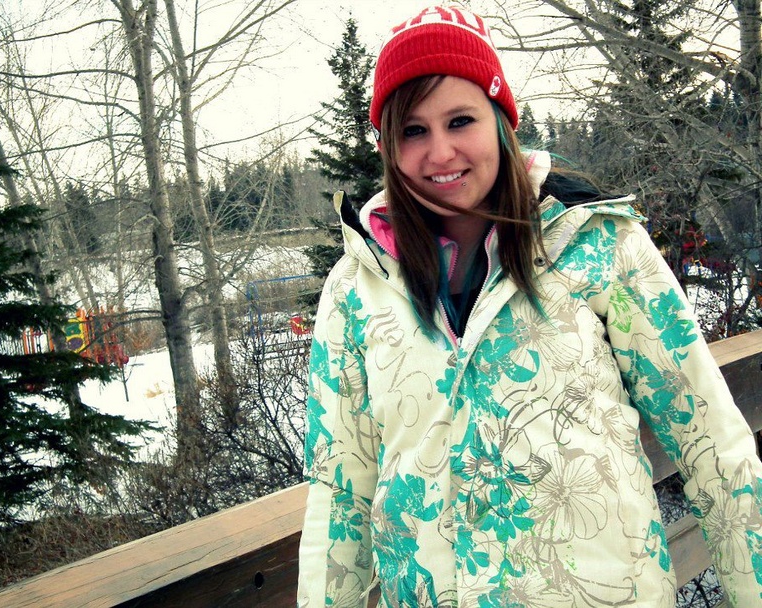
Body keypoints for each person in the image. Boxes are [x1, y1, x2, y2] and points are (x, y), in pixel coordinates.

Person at [297, 5, 762, 607]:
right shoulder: (356, 288)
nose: (439, 152)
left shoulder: (596, 242)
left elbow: (712, 444)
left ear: (499, 120)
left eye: (459, 120)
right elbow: (341, 496)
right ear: (387, 145)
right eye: (413, 130)